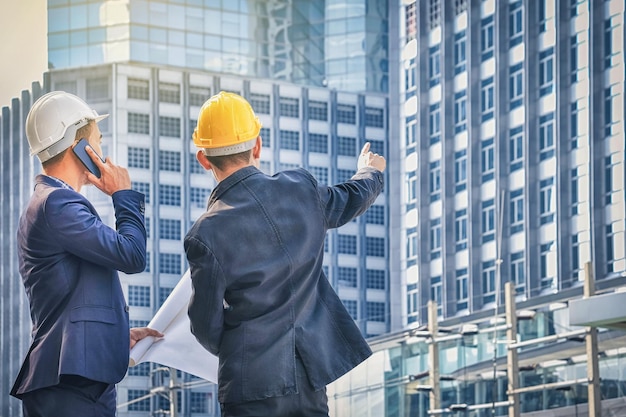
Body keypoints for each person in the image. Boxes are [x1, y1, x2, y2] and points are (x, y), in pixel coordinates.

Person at [185, 91, 386, 416]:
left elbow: (205, 326)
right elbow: (350, 198)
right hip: (309, 377)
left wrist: (242, 350)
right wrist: (370, 172)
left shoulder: (205, 233)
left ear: (203, 158)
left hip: (250, 386)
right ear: (257, 145)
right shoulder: (300, 189)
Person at [10, 91, 162, 417]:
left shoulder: (53, 202)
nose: (102, 149)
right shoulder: (57, 203)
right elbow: (131, 255)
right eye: (98, 139)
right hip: (68, 386)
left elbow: (69, 295)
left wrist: (112, 334)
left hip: (78, 381)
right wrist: (123, 194)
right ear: (80, 145)